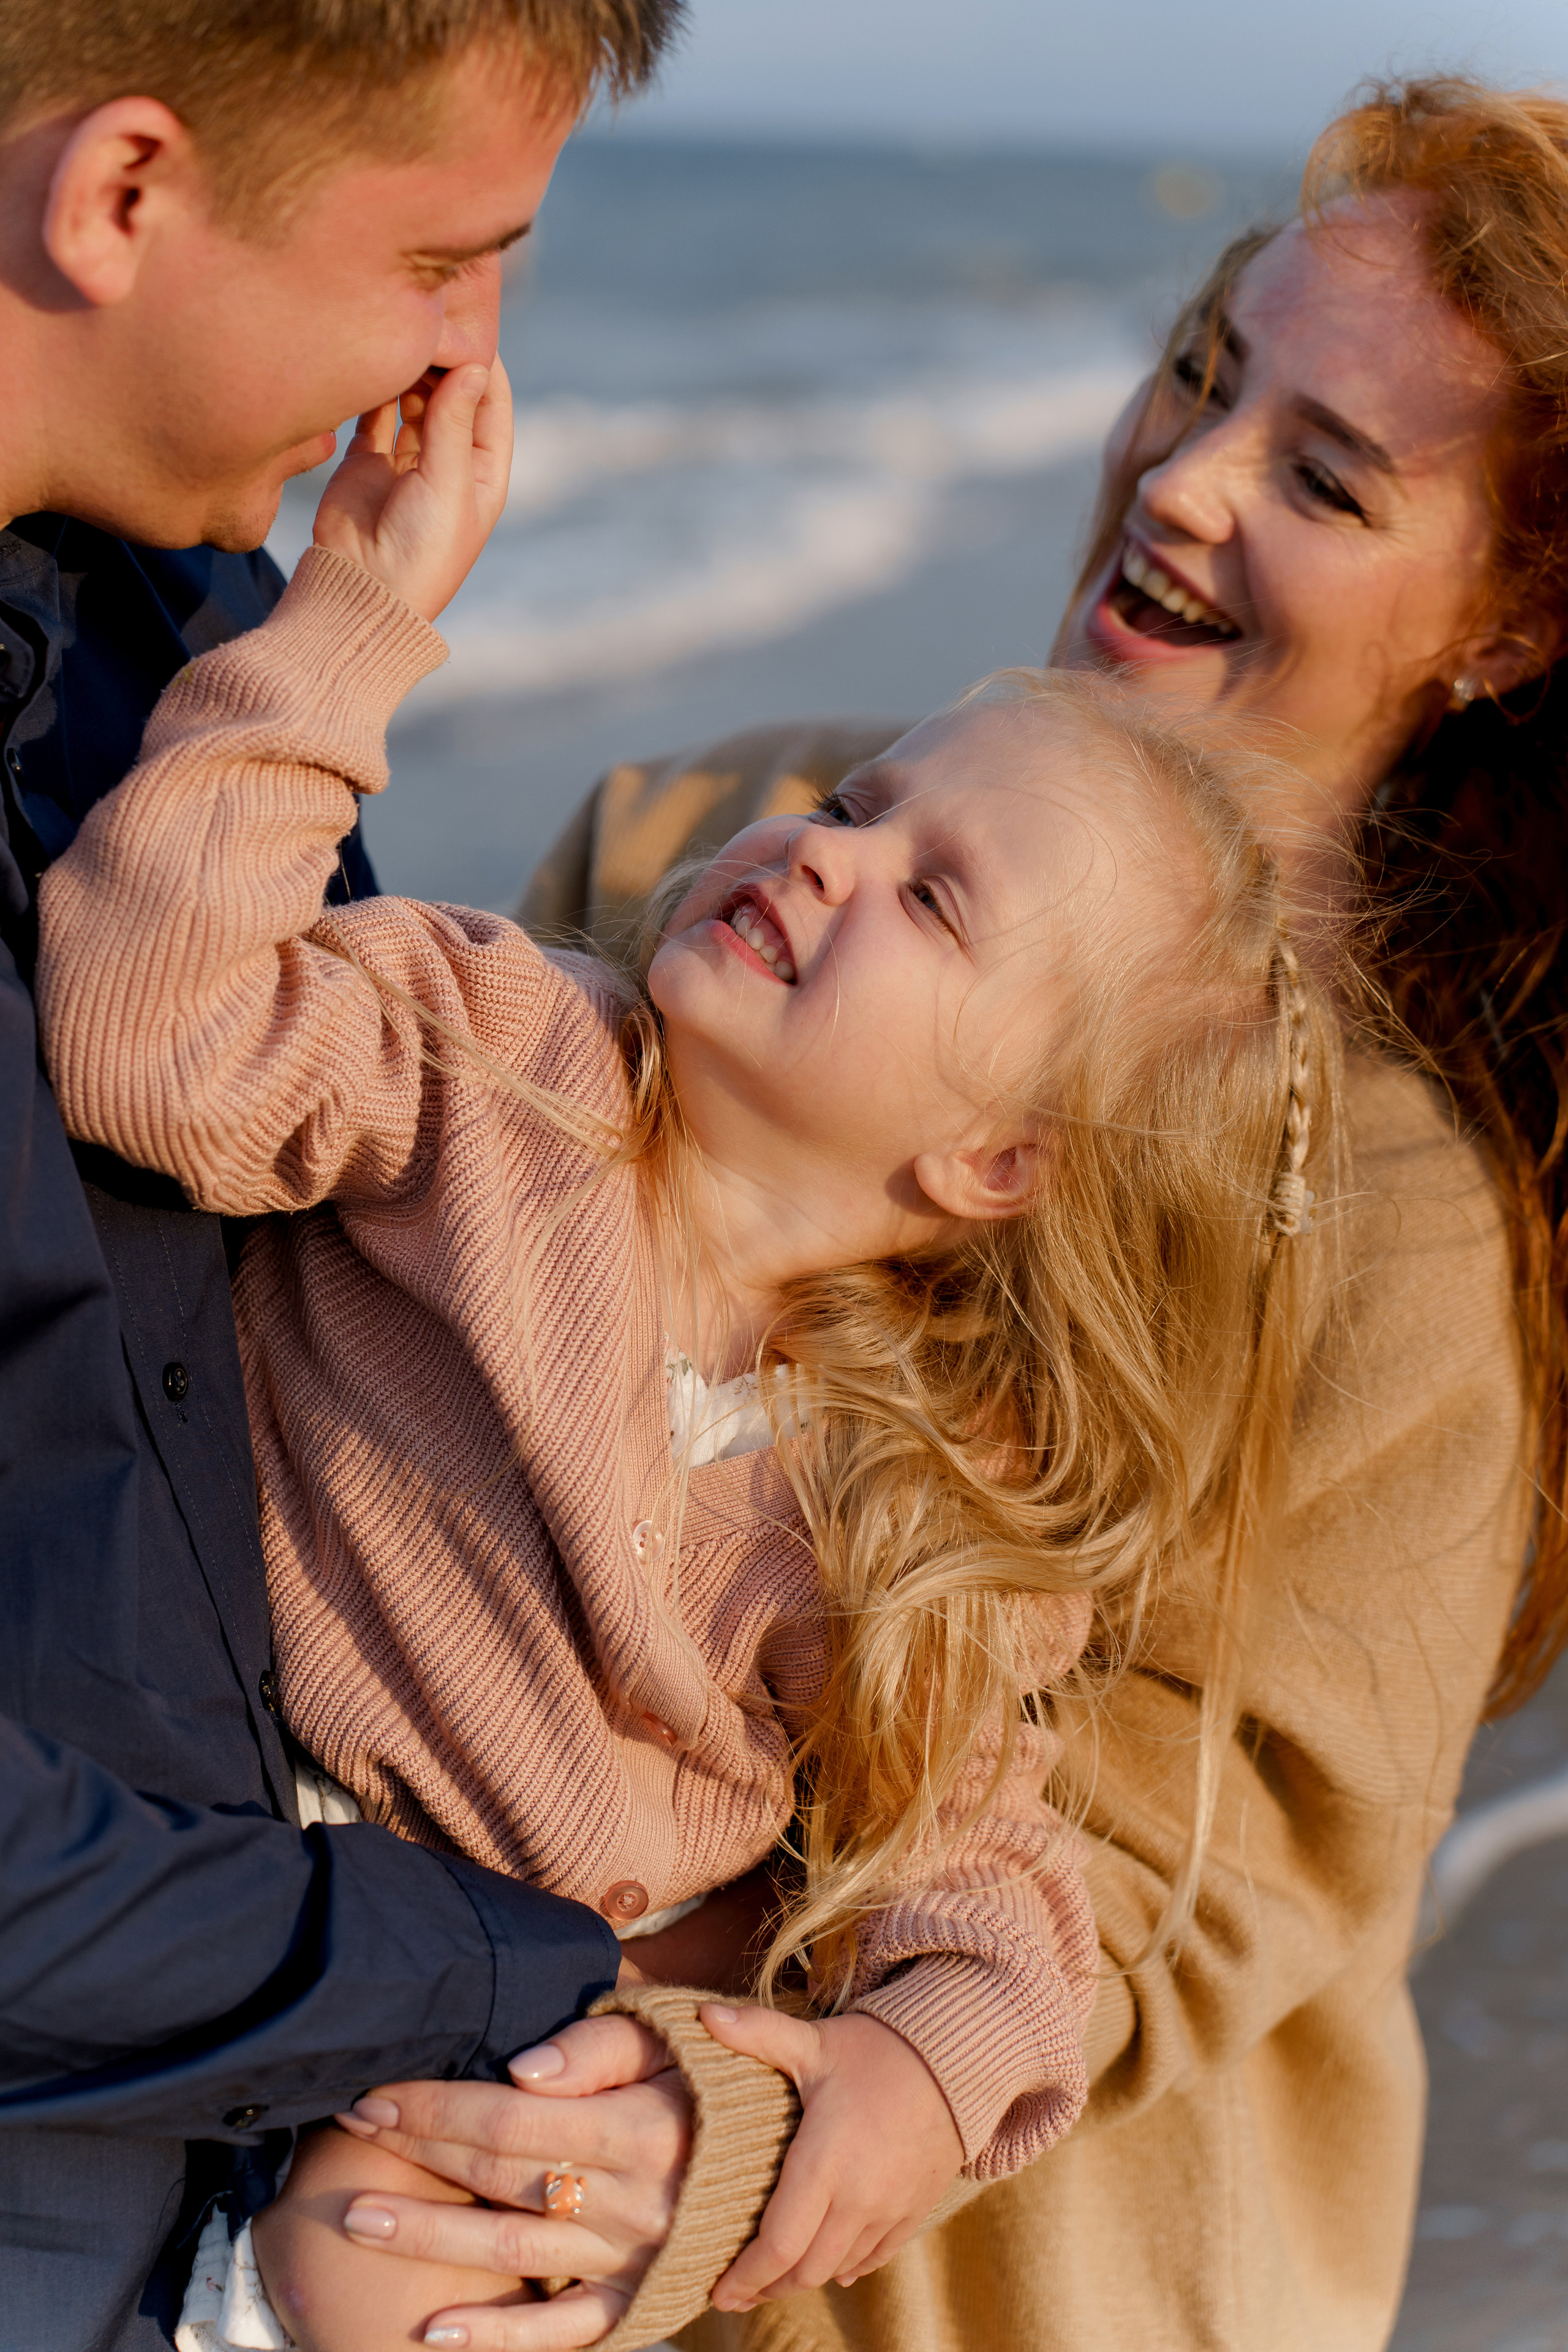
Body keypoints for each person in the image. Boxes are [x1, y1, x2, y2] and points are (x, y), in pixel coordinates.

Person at [36, 333, 1347, 2349]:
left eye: (937, 901)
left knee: (412, 2253)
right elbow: (145, 1031)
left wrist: (916, 2078)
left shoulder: (910, 1485)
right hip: (205, 1868)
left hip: (463, 2042)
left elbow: (985, 1873)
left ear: (998, 1159)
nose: (826, 848)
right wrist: (354, 627)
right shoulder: (502, 1057)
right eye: (857, 801)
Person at [509, 74, 1561, 2352]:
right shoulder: (703, 835)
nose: (1179, 477)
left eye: (1324, 474)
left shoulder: (1396, 1211)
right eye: (1203, 367)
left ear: (1504, 623)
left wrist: (607, 1991)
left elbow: (1202, 1871)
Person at [0, 4, 693, 2347]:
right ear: (122, 194)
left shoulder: (171, 653)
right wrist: (506, 1960)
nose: (468, 360)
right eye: (443, 258)